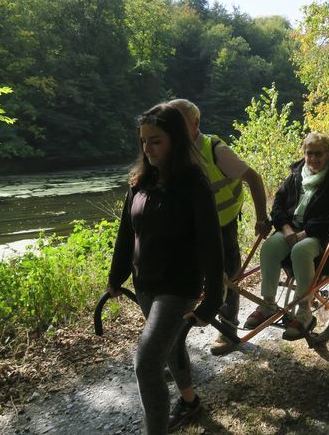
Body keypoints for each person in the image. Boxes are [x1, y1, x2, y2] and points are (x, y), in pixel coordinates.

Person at [106, 103, 224, 434]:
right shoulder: (140, 181)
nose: (148, 148)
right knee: (170, 347)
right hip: (146, 284)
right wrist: (116, 277)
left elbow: (211, 247)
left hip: (179, 287)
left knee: (145, 362)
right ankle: (190, 400)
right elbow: (127, 232)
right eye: (143, 141)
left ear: (175, 139)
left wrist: (212, 300)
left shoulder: (193, 184)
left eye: (156, 140)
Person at [169, 99, 271, 356]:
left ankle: (227, 328)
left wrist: (261, 217)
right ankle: (173, 340)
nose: (173, 128)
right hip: (189, 228)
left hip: (222, 223)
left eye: (178, 122)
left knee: (229, 276)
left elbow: (253, 178)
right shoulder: (171, 150)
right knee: (183, 278)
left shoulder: (215, 149)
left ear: (195, 124)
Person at [243, 132, 329, 340]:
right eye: (308, 154)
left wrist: (306, 232)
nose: (313, 159)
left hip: (320, 234)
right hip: (291, 228)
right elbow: (278, 204)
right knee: (268, 249)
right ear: (303, 154)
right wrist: (285, 229)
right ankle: (268, 303)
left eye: (318, 154)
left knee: (301, 251)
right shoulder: (296, 174)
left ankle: (304, 311)